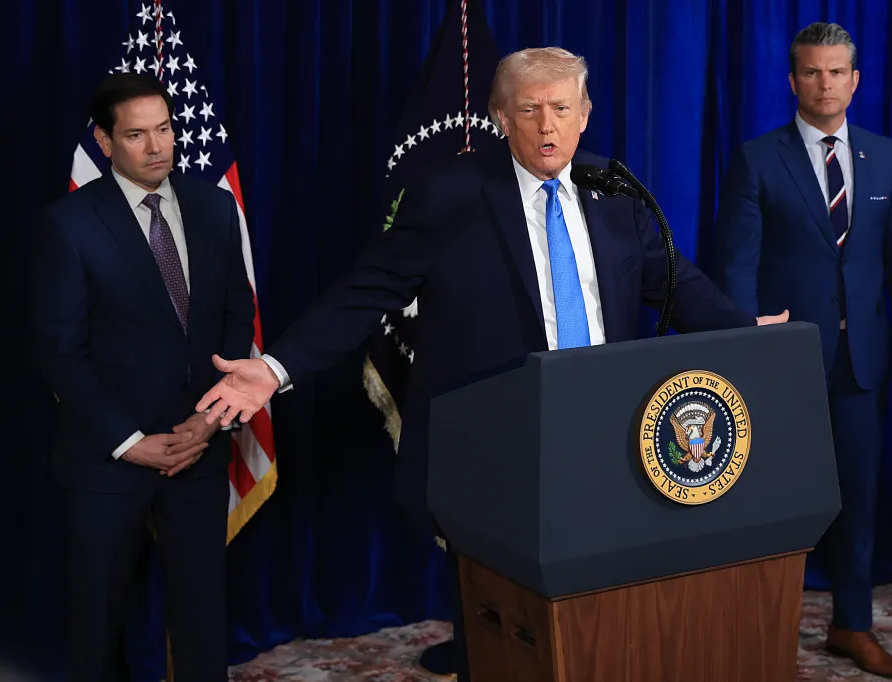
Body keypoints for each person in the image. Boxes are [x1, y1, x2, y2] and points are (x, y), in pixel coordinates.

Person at [195, 47, 786, 681]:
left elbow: (675, 284)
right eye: (529, 109)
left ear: (585, 114)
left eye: (561, 108)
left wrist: (746, 335)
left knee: (603, 608)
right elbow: (367, 291)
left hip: (606, 437)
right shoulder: (449, 193)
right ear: (500, 116)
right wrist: (276, 367)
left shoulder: (613, 190)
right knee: (500, 624)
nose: (546, 125)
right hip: (495, 447)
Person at [707, 23, 892, 680]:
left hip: (862, 361)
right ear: (792, 80)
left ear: (855, 80)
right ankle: (758, 629)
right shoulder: (757, 159)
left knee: (858, 499)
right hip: (781, 362)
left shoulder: (885, 157)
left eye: (837, 72)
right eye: (812, 71)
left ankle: (851, 626)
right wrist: (743, 345)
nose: (825, 83)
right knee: (770, 499)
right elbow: (737, 265)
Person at [29, 73, 256, 681]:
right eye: (136, 135)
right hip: (109, 457)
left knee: (203, 619)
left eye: (164, 129)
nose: (158, 147)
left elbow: (237, 319)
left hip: (197, 447)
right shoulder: (69, 224)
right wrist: (131, 443)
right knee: (100, 624)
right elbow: (60, 351)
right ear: (104, 142)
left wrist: (209, 422)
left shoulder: (214, 206)